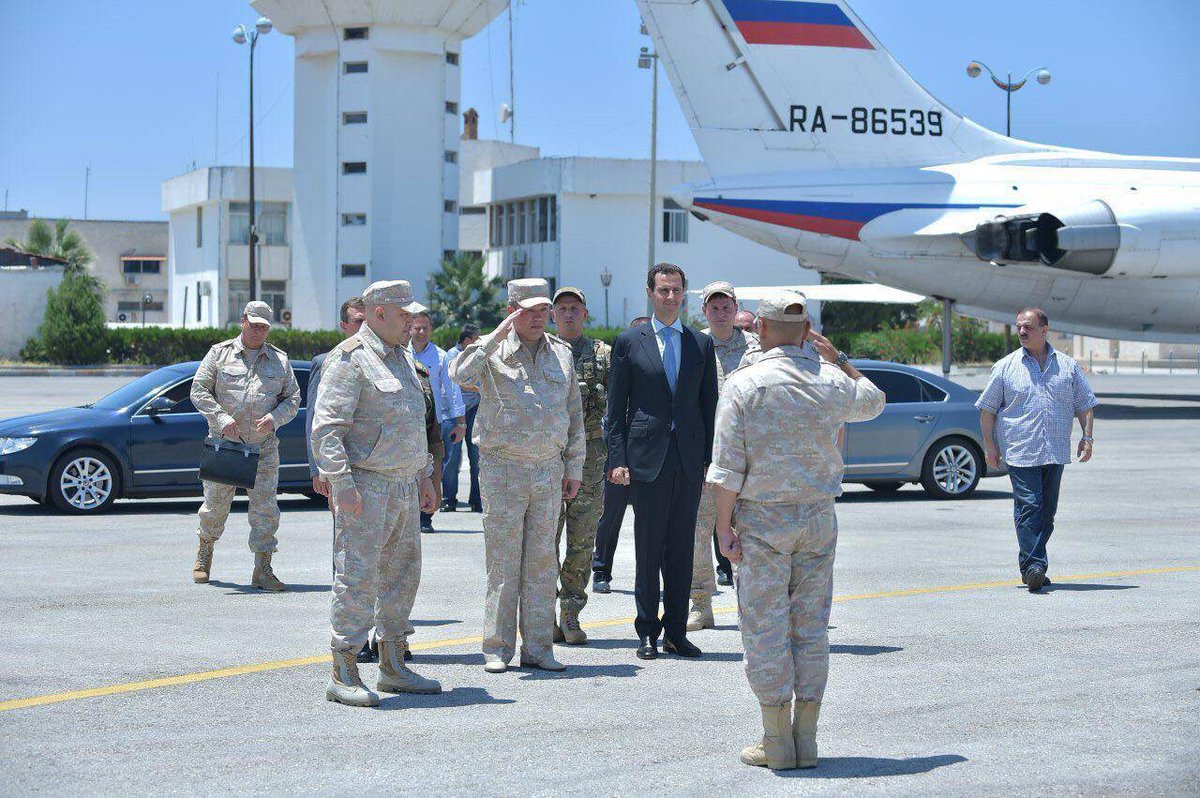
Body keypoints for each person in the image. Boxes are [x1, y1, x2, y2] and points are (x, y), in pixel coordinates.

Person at [710, 290, 885, 770]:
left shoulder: (745, 385)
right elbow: (874, 400)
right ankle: (805, 740)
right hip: (817, 518)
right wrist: (841, 359)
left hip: (763, 519)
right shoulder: (829, 380)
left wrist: (723, 529)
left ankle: (777, 742)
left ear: (760, 331)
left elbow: (726, 469)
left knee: (765, 628)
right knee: (810, 627)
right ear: (808, 332)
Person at [310, 280, 441, 707]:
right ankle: (343, 669)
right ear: (379, 313)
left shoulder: (402, 358)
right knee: (357, 578)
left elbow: (413, 423)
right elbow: (327, 429)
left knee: (403, 577)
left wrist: (424, 477)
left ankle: (393, 664)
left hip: (403, 485)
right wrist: (342, 485)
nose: (413, 323)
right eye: (405, 316)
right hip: (365, 487)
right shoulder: (349, 360)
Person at [451, 278, 585, 674]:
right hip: (504, 470)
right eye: (529, 310)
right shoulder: (492, 351)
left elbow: (574, 415)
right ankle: (497, 646)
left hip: (548, 468)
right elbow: (460, 373)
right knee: (504, 563)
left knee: (542, 562)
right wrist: (495, 336)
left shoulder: (561, 354)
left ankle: (539, 647)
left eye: (544, 310)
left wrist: (573, 467)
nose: (539, 317)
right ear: (512, 311)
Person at [606, 263, 718, 661]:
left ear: (684, 294)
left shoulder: (700, 345)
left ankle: (676, 632)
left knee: (682, 550)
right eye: (663, 290)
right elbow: (615, 409)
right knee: (648, 549)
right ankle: (647, 633)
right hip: (646, 459)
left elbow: (709, 408)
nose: (670, 297)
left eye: (676, 291)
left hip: (687, 461)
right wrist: (617, 460)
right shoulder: (629, 341)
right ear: (650, 293)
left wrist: (709, 461)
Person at [976, 307, 1097, 592]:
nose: (1021, 331)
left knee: (1046, 514)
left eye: (1028, 326)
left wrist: (1087, 437)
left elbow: (1085, 404)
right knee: (1029, 506)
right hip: (1020, 450)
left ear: (1044, 330)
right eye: (1019, 326)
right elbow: (987, 409)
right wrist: (989, 446)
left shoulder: (1067, 366)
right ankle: (1034, 566)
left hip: (1054, 451)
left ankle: (1032, 564)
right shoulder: (1005, 367)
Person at [190, 300, 300, 591]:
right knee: (215, 505)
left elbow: (293, 399)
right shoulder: (220, 353)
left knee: (265, 510)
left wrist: (275, 418)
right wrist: (220, 417)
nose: (258, 331)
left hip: (263, 449)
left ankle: (263, 568)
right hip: (225, 446)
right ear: (243, 321)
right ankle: (205, 552)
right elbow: (198, 390)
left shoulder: (280, 360)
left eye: (264, 327)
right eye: (254, 325)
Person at [688, 281, 759, 631]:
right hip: (708, 456)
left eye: (726, 306)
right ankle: (701, 605)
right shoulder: (693, 345)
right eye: (713, 307)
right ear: (704, 310)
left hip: (748, 458)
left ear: (735, 307)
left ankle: (752, 605)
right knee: (699, 532)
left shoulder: (756, 348)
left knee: (749, 531)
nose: (720, 312)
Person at [549, 287, 611, 645]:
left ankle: (571, 612)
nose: (569, 314)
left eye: (575, 308)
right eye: (562, 309)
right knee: (545, 541)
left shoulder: (602, 355)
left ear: (585, 314)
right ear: (554, 315)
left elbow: (617, 409)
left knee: (582, 539)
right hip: (549, 460)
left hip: (590, 459)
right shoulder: (542, 353)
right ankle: (544, 613)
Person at [590, 316, 649, 594]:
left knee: (651, 519)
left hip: (649, 457)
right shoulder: (617, 370)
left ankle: (650, 575)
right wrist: (616, 460)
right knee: (610, 516)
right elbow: (611, 419)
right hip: (618, 455)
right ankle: (601, 570)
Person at [410, 311, 466, 532]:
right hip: (407, 423)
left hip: (435, 424)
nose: (421, 332)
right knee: (408, 471)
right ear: (410, 328)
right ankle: (410, 516)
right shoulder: (400, 354)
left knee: (434, 471)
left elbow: (452, 391)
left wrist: (460, 423)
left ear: (431, 329)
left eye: (425, 327)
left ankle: (426, 518)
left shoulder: (441, 357)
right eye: (417, 327)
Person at [443, 324, 483, 513]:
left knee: (476, 456)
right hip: (454, 412)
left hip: (475, 408)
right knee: (452, 456)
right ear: (466, 341)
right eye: (476, 339)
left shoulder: (477, 355)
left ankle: (476, 499)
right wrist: (479, 388)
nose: (480, 342)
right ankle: (449, 499)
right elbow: (456, 383)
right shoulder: (452, 355)